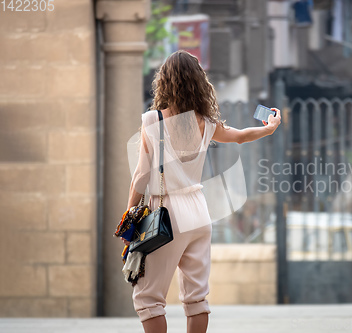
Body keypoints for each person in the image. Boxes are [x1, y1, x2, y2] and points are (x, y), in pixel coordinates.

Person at [120, 50, 281, 333]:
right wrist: (269, 128)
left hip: (166, 214)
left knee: (148, 299)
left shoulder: (152, 121)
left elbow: (141, 176)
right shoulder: (206, 123)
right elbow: (241, 136)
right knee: (196, 298)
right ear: (198, 82)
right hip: (199, 211)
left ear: (166, 82)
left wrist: (129, 216)